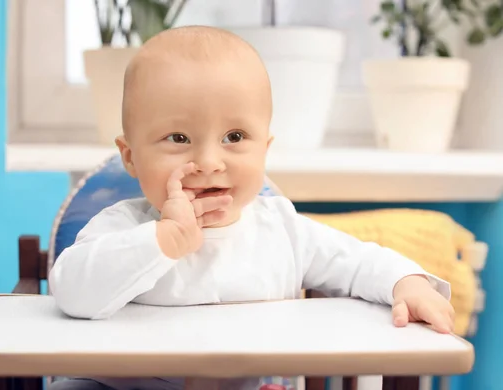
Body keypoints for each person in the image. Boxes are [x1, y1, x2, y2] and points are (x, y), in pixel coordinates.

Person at [48, 25, 454, 390]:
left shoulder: (283, 230)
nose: (208, 161)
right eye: (178, 137)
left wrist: (407, 283)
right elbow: (71, 291)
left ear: (265, 149)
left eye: (235, 135)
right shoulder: (121, 227)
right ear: (131, 157)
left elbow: (361, 262)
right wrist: (162, 241)